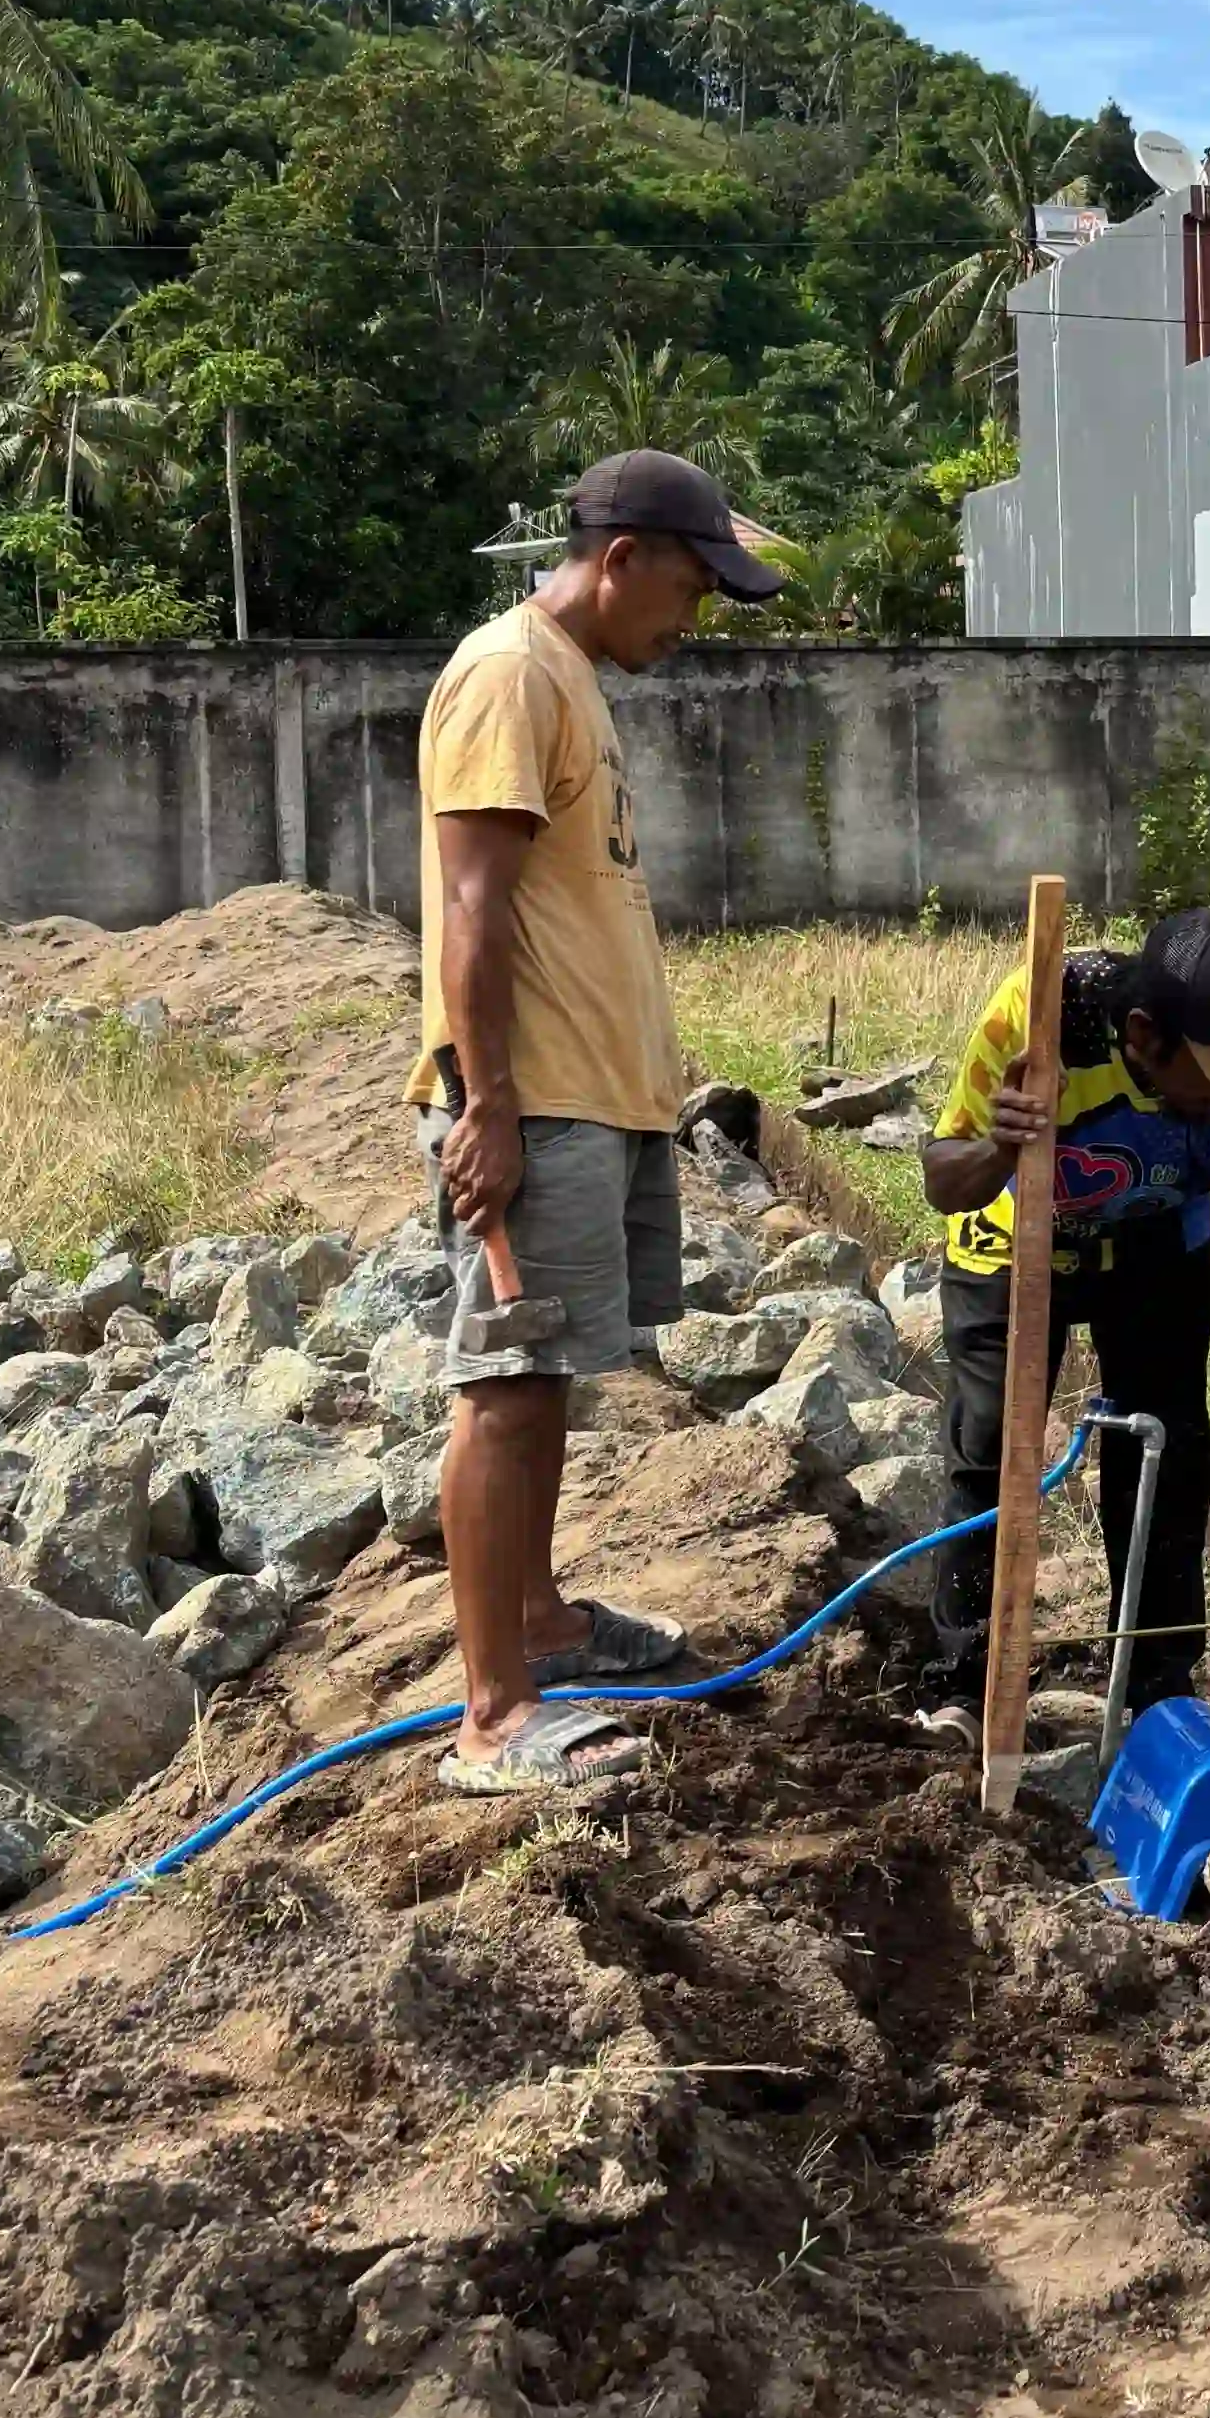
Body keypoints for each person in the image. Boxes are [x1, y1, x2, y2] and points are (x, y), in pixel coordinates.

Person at [410, 450, 785, 1794]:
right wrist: (488, 1105)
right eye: (688, 587)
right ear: (621, 558)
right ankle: (493, 1718)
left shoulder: (572, 682)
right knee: (505, 1390)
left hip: (590, 1096)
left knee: (546, 1379)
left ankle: (542, 1623)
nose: (689, 621)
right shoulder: (508, 672)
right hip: (535, 1100)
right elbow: (470, 909)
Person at [919, 906, 1210, 1724]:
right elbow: (944, 1181)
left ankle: (1156, 1693)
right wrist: (999, 1148)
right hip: (1013, 1238)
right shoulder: (1043, 1012)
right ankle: (962, 1685)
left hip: (1156, 1246)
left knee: (1168, 1456)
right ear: (1150, 1037)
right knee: (985, 1450)